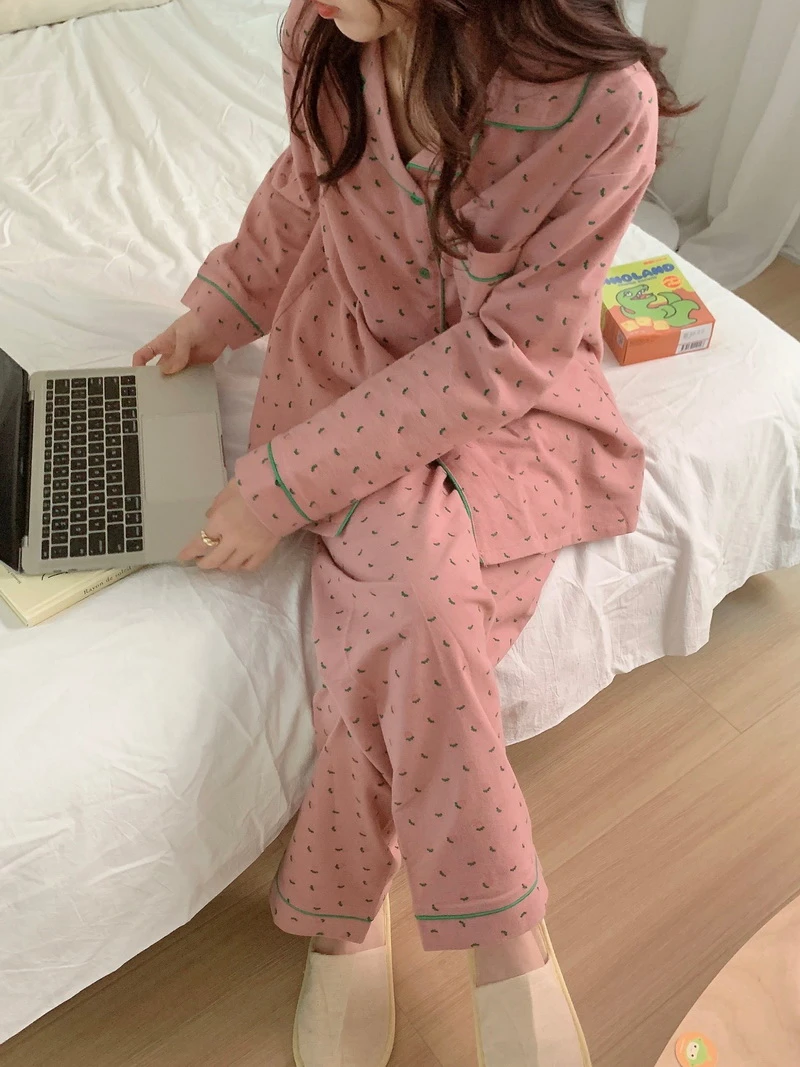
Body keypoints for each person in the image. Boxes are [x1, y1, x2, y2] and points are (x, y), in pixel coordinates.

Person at [134, 1, 688, 1063]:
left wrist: (278, 486)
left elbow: (508, 351)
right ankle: (509, 944)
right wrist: (223, 303)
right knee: (420, 600)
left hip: (508, 404)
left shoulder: (602, 106)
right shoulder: (325, 31)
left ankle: (342, 916)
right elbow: (305, 184)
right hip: (343, 366)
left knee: (411, 605)